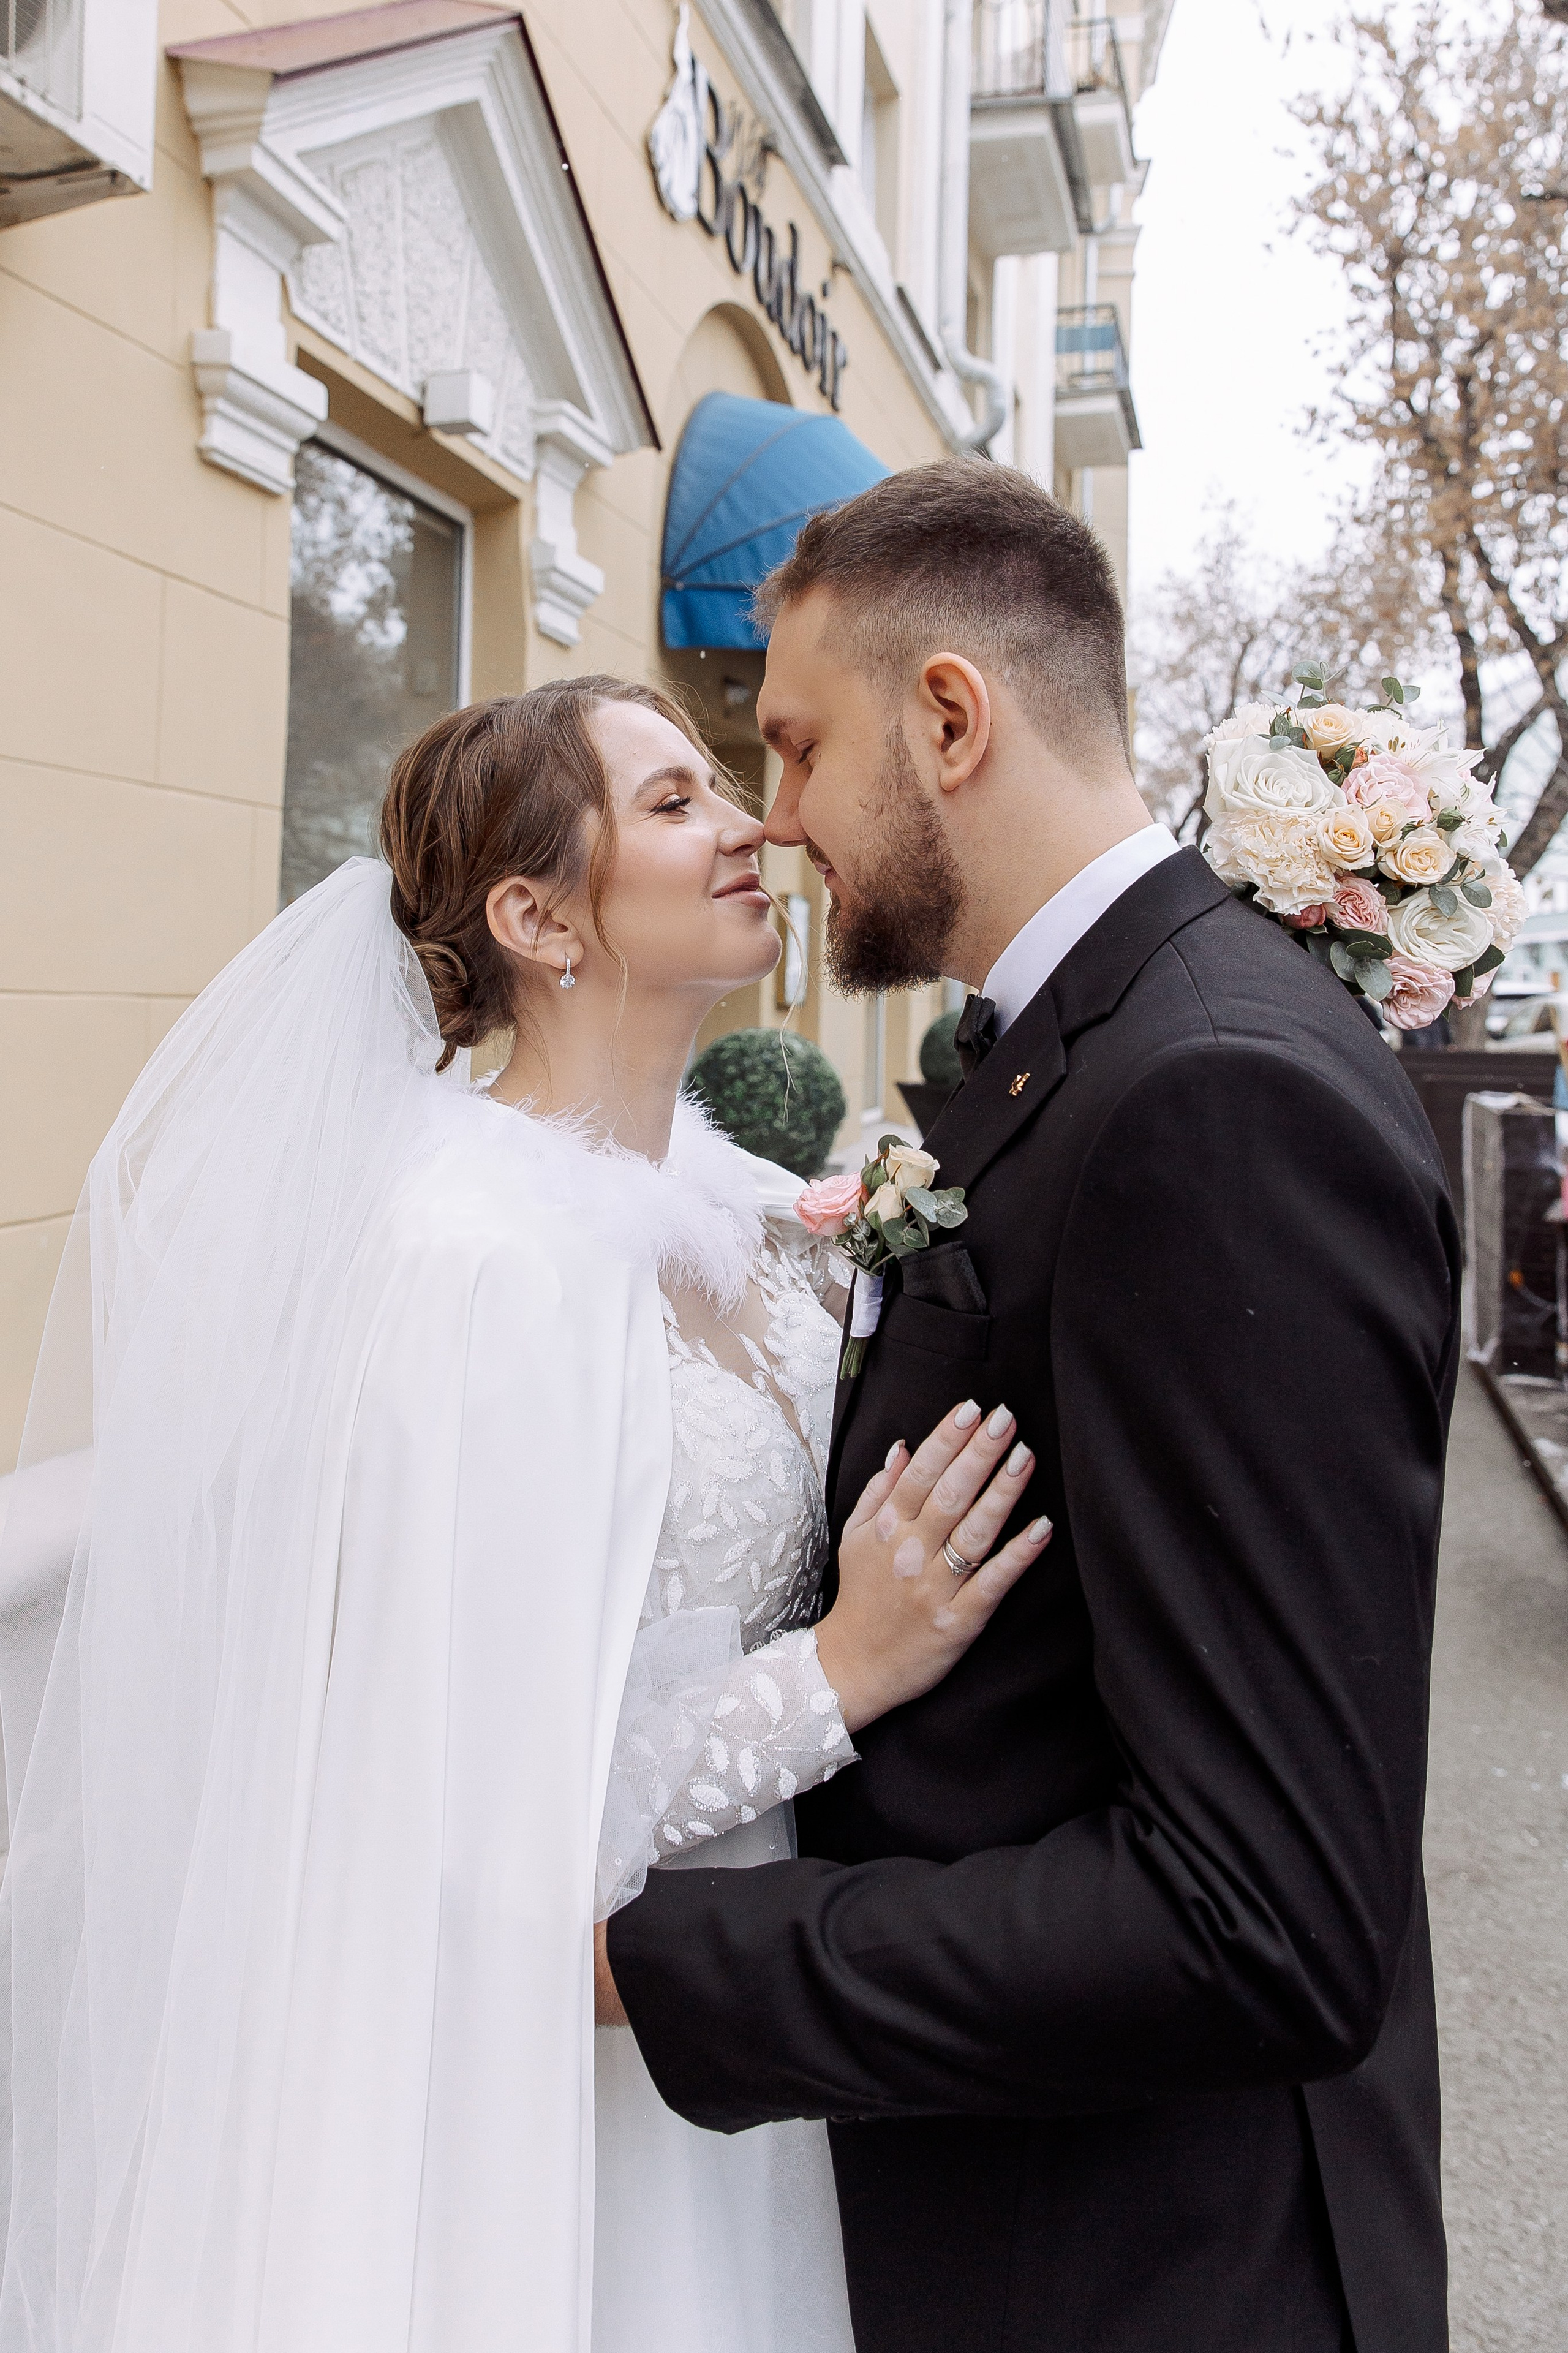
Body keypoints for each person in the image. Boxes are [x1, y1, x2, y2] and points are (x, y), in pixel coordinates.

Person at [0, 678, 1053, 2352]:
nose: (753, 827)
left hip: (726, 1995)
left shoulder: (739, 1220)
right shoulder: (469, 1263)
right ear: (537, 914)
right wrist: (840, 1670)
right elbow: (459, 1803)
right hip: (527, 2061)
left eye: (730, 791)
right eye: (675, 804)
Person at [601, 462, 1460, 2353]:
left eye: (805, 747)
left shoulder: (1212, 1091)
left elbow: (1261, 1917)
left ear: (952, 720)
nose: (786, 816)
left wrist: (665, 1959)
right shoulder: (1070, 1051)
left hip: (1162, 2272)